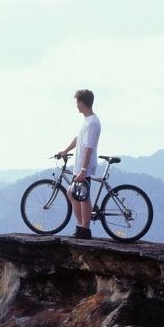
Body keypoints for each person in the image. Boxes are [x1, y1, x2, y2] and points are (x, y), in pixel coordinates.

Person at [57, 89, 101, 239]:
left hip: (85, 166)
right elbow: (79, 139)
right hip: (80, 165)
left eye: (77, 102)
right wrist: (65, 150)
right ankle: (82, 226)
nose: (76, 105)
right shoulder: (87, 121)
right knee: (72, 193)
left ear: (82, 103)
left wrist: (83, 169)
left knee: (83, 196)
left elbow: (89, 148)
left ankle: (85, 229)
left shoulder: (93, 122)